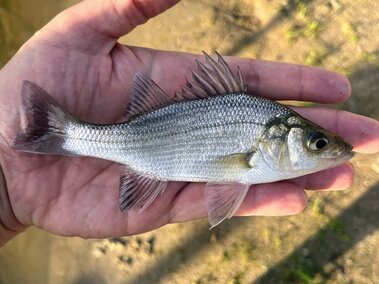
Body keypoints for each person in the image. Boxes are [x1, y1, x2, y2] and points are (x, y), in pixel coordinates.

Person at [0, 0, 378, 247]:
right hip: (149, 145)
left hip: (151, 150)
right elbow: (232, 175)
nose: (330, 149)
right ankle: (61, 132)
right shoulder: (258, 145)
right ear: (277, 139)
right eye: (318, 143)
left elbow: (231, 179)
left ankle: (59, 133)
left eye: (320, 143)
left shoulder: (257, 151)